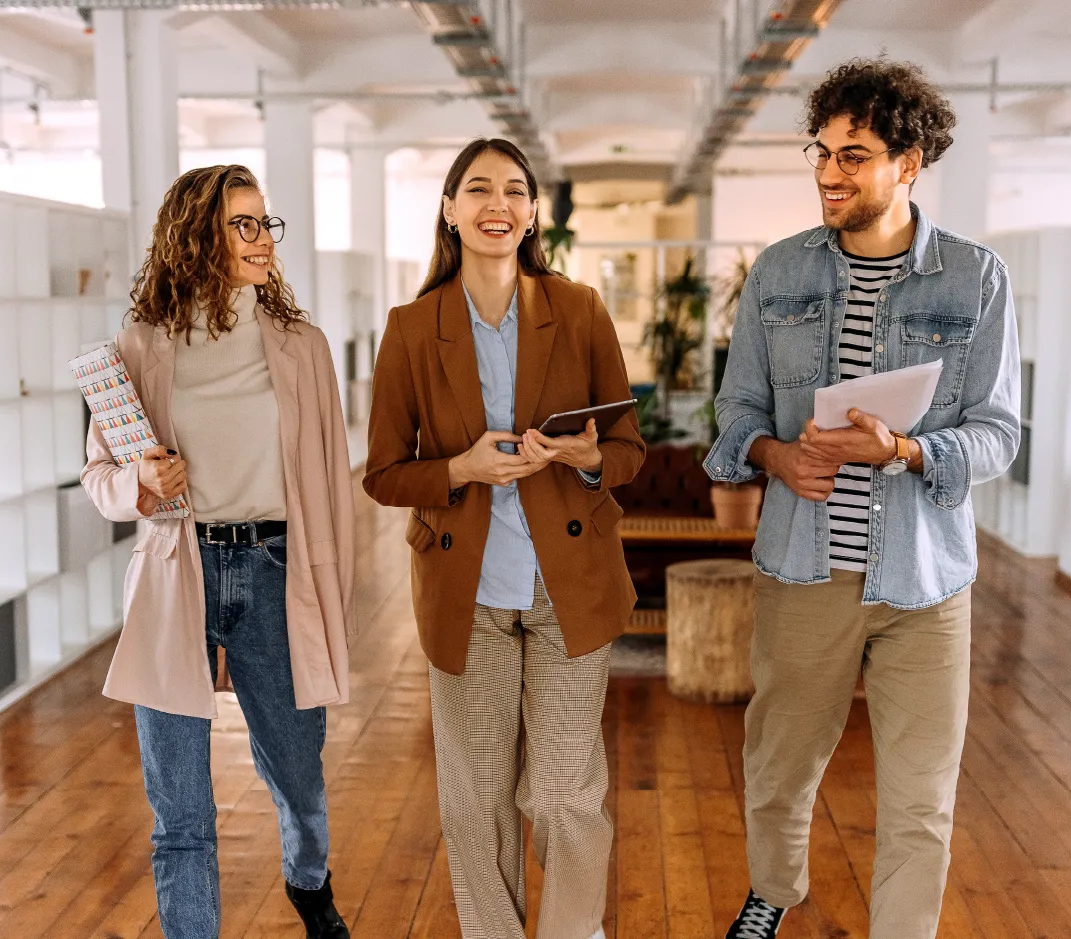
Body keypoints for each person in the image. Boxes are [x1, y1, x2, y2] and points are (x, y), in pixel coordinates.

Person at [705, 59, 1021, 939]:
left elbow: (999, 431)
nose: (829, 173)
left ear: (909, 163)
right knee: (779, 766)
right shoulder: (777, 275)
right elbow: (734, 412)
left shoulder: (977, 278)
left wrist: (908, 449)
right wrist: (772, 454)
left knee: (921, 795)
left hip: (926, 585)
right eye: (822, 151)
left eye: (855, 155)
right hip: (804, 572)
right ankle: (774, 887)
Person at [363, 138, 645, 939]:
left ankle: (570, 932)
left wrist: (589, 456)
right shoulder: (413, 327)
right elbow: (383, 472)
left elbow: (627, 450)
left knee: (562, 792)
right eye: (478, 189)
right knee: (475, 797)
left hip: (568, 589)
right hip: (468, 595)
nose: (498, 204)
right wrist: (460, 467)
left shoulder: (581, 309)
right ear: (449, 209)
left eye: (515, 191)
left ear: (531, 213)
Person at [80, 165, 357, 939]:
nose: (263, 239)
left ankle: (310, 881)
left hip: (277, 570)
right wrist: (137, 480)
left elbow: (333, 477)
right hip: (178, 576)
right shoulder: (139, 346)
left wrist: (337, 594)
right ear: (195, 233)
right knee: (181, 810)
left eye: (266, 223)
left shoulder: (304, 348)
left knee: (298, 770)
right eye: (243, 224)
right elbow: (98, 473)